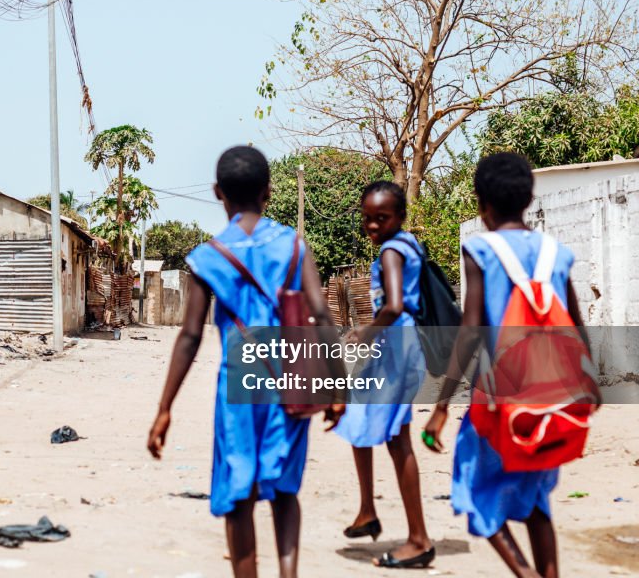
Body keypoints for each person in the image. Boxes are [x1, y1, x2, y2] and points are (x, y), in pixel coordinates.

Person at [146, 145, 344, 578]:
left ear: (218, 193)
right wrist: (337, 387)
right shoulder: (293, 245)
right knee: (284, 490)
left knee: (238, 494)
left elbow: (190, 337)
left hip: (237, 389)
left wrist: (165, 409)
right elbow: (323, 314)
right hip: (291, 382)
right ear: (269, 191)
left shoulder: (208, 257)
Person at [423, 153, 584, 578]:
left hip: (494, 403)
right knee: (535, 502)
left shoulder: (481, 249)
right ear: (529, 198)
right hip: (547, 402)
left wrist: (441, 407)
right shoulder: (556, 253)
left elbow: (471, 329)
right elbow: (579, 331)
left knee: (474, 489)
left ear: (482, 203)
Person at [332, 180, 434, 568]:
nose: (373, 226)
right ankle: (366, 510)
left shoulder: (392, 252)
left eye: (382, 218)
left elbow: (392, 307)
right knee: (358, 420)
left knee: (397, 439)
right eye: (367, 218)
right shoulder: (410, 246)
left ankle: (419, 540)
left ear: (400, 217)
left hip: (394, 348)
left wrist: (363, 332)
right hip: (398, 349)